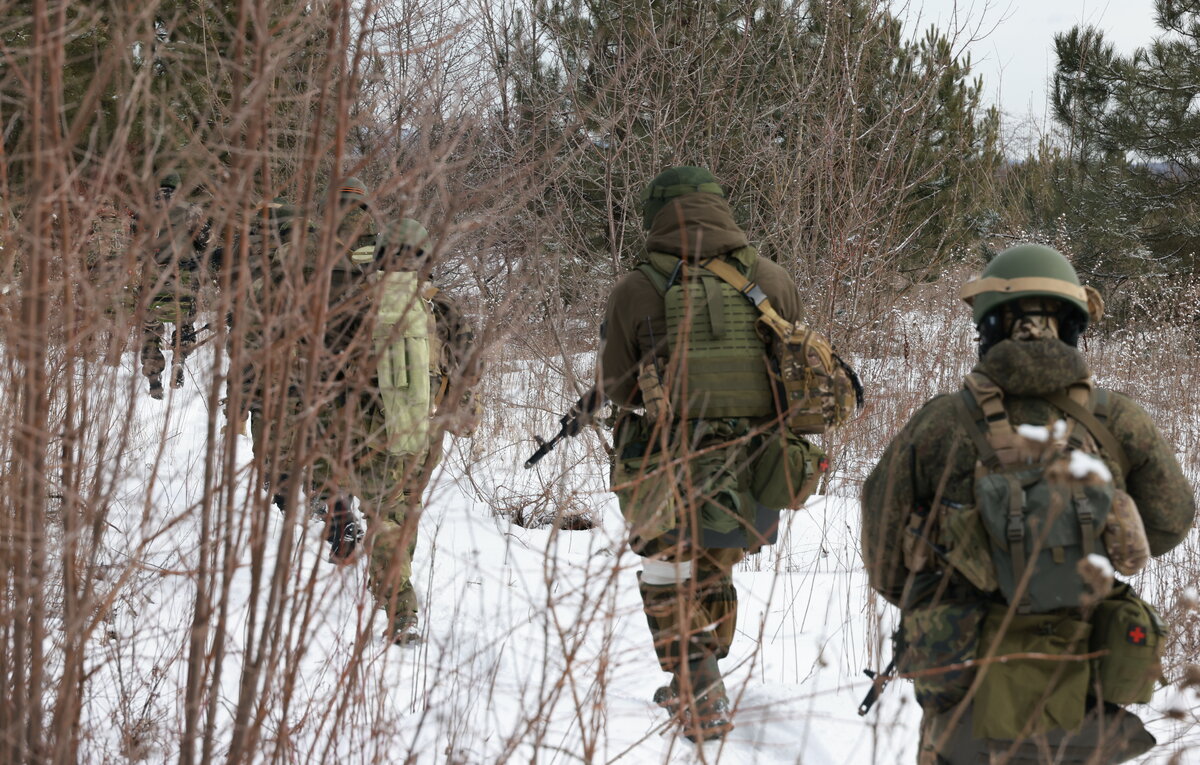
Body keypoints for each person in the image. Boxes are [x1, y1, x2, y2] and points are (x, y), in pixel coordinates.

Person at [861, 243, 1195, 764]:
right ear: (1072, 327)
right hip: (1082, 691)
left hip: (962, 692)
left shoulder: (941, 423)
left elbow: (884, 552)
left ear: (989, 328)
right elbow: (1171, 522)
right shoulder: (1119, 421)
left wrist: (944, 587)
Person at [596, 166, 828, 741]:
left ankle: (701, 689)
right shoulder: (772, 278)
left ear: (656, 214)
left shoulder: (636, 288)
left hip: (666, 458)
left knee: (666, 570)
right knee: (714, 564)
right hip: (758, 461)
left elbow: (619, 388)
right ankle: (698, 675)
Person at [317, 217, 479, 646]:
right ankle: (396, 589)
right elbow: (471, 366)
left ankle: (398, 604)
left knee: (383, 515)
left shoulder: (356, 301)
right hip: (425, 428)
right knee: (406, 509)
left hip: (370, 428)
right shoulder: (439, 305)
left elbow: (327, 369)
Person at [138, 172, 210, 398]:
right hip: (184, 274)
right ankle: (179, 360)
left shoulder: (143, 211)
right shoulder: (191, 209)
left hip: (152, 277)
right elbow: (205, 240)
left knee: (150, 327)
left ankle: (153, 377)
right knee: (185, 321)